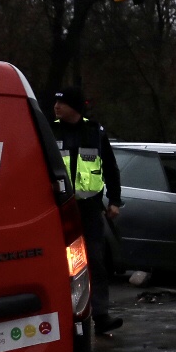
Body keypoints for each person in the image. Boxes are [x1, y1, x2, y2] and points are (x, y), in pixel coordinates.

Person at [49, 87, 124, 336]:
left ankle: (100, 315)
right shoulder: (51, 130)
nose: (56, 107)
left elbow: (110, 168)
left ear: (75, 107)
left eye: (62, 103)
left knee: (94, 261)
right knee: (61, 263)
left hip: (89, 208)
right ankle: (64, 315)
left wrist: (115, 200)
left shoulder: (94, 132)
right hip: (58, 207)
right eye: (56, 103)